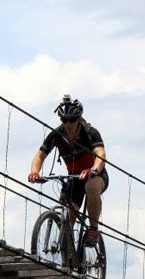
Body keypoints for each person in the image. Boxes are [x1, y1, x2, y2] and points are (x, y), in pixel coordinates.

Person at [28, 94, 108, 244]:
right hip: (74, 177)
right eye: (64, 120)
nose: (68, 124)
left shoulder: (90, 132)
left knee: (91, 186)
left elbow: (101, 154)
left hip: (94, 175)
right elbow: (39, 155)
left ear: (79, 118)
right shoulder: (57, 135)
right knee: (66, 217)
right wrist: (35, 172)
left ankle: (93, 230)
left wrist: (94, 170)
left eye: (72, 120)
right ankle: (67, 249)